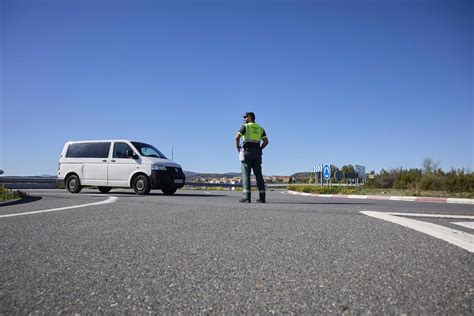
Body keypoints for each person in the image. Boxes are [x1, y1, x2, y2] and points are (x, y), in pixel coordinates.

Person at [235, 112, 269, 203]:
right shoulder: (260, 128)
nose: (244, 119)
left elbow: (237, 137)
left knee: (246, 174)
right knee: (259, 175)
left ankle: (247, 197)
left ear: (249, 117)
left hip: (247, 152)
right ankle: (262, 198)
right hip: (257, 153)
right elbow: (266, 141)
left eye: (245, 117)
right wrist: (260, 148)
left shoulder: (245, 126)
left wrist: (238, 147)